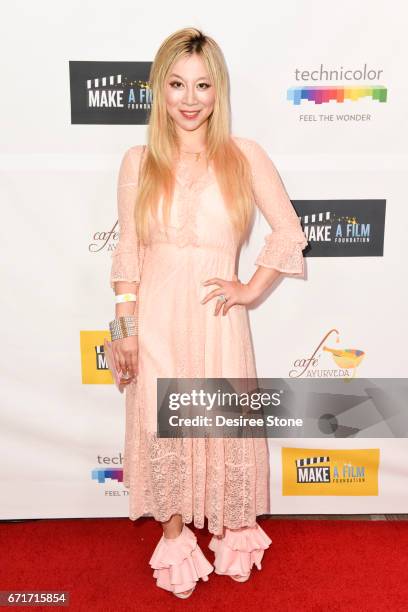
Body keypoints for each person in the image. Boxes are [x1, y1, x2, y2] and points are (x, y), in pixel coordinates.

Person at [108, 27, 308, 599]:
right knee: (162, 428)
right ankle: (174, 538)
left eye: (202, 84)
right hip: (154, 323)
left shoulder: (244, 156)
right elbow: (128, 255)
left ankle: (234, 533)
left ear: (218, 90)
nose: (190, 99)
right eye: (177, 84)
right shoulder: (138, 160)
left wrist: (249, 288)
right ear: (160, 89)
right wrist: (123, 328)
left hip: (219, 321)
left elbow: (288, 232)